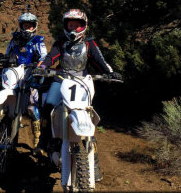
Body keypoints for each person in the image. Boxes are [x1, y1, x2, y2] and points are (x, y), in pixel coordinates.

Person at [33, 9, 122, 182]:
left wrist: (110, 72)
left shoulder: (89, 44)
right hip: (61, 79)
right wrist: (42, 67)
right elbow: (51, 58)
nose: (73, 28)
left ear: (83, 26)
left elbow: (100, 61)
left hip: (83, 81)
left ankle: (94, 164)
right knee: (48, 105)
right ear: (65, 26)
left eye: (76, 25)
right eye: (70, 25)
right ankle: (45, 140)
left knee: (87, 115)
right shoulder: (60, 42)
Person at [0, 10, 47, 149]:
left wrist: (39, 67)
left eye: (30, 25)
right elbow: (7, 54)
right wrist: (1, 61)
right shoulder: (14, 39)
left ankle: (37, 137)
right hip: (12, 72)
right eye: (25, 25)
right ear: (20, 26)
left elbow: (43, 57)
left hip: (29, 74)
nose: (27, 28)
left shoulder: (38, 41)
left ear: (34, 26)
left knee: (32, 106)